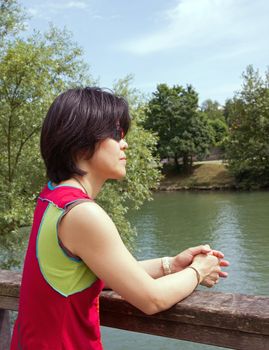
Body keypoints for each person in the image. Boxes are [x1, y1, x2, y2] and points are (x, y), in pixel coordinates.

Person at [11, 87, 229, 350]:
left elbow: (95, 273)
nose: (124, 143)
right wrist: (199, 270)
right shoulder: (82, 214)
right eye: (116, 135)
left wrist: (170, 264)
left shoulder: (52, 199)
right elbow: (152, 299)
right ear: (80, 142)